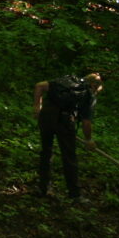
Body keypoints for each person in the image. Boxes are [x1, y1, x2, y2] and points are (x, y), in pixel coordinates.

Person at [32, 73, 103, 201]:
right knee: (69, 157)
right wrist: (89, 140)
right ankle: (75, 195)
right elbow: (86, 122)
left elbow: (39, 86)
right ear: (94, 85)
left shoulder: (66, 81)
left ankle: (43, 188)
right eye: (98, 89)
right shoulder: (88, 94)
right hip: (65, 122)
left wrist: (37, 106)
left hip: (46, 117)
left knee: (46, 152)